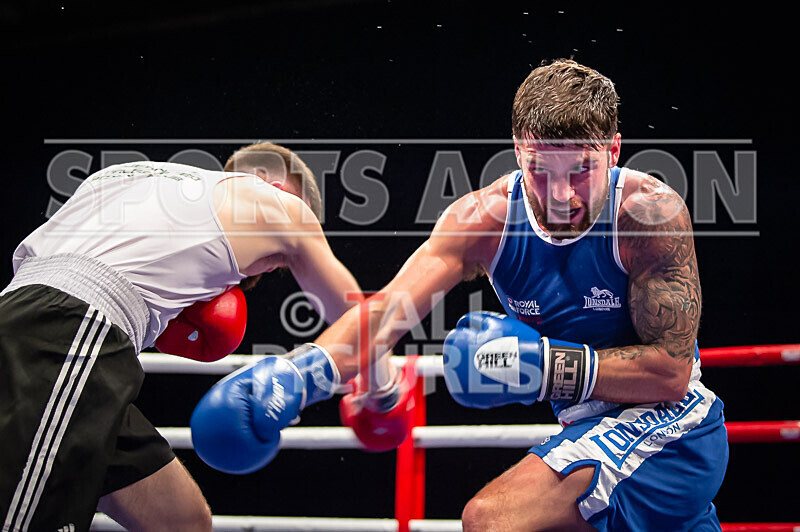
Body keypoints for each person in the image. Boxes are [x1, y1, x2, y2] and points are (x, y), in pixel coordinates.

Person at [192, 59, 728, 531]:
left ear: (614, 149)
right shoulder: (483, 222)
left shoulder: (648, 214)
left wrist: (544, 367)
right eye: (541, 171)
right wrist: (297, 375)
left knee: (491, 518)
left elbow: (670, 371)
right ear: (518, 150)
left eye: (582, 171)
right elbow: (386, 313)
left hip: (671, 425)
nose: (561, 195)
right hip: (589, 430)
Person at [0, 142, 367, 531]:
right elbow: (357, 316)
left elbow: (48, 272)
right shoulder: (279, 206)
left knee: (185, 520)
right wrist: (378, 390)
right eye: (283, 259)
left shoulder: (122, 176)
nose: (276, 265)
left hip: (55, 334)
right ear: (271, 183)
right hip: (67, 343)